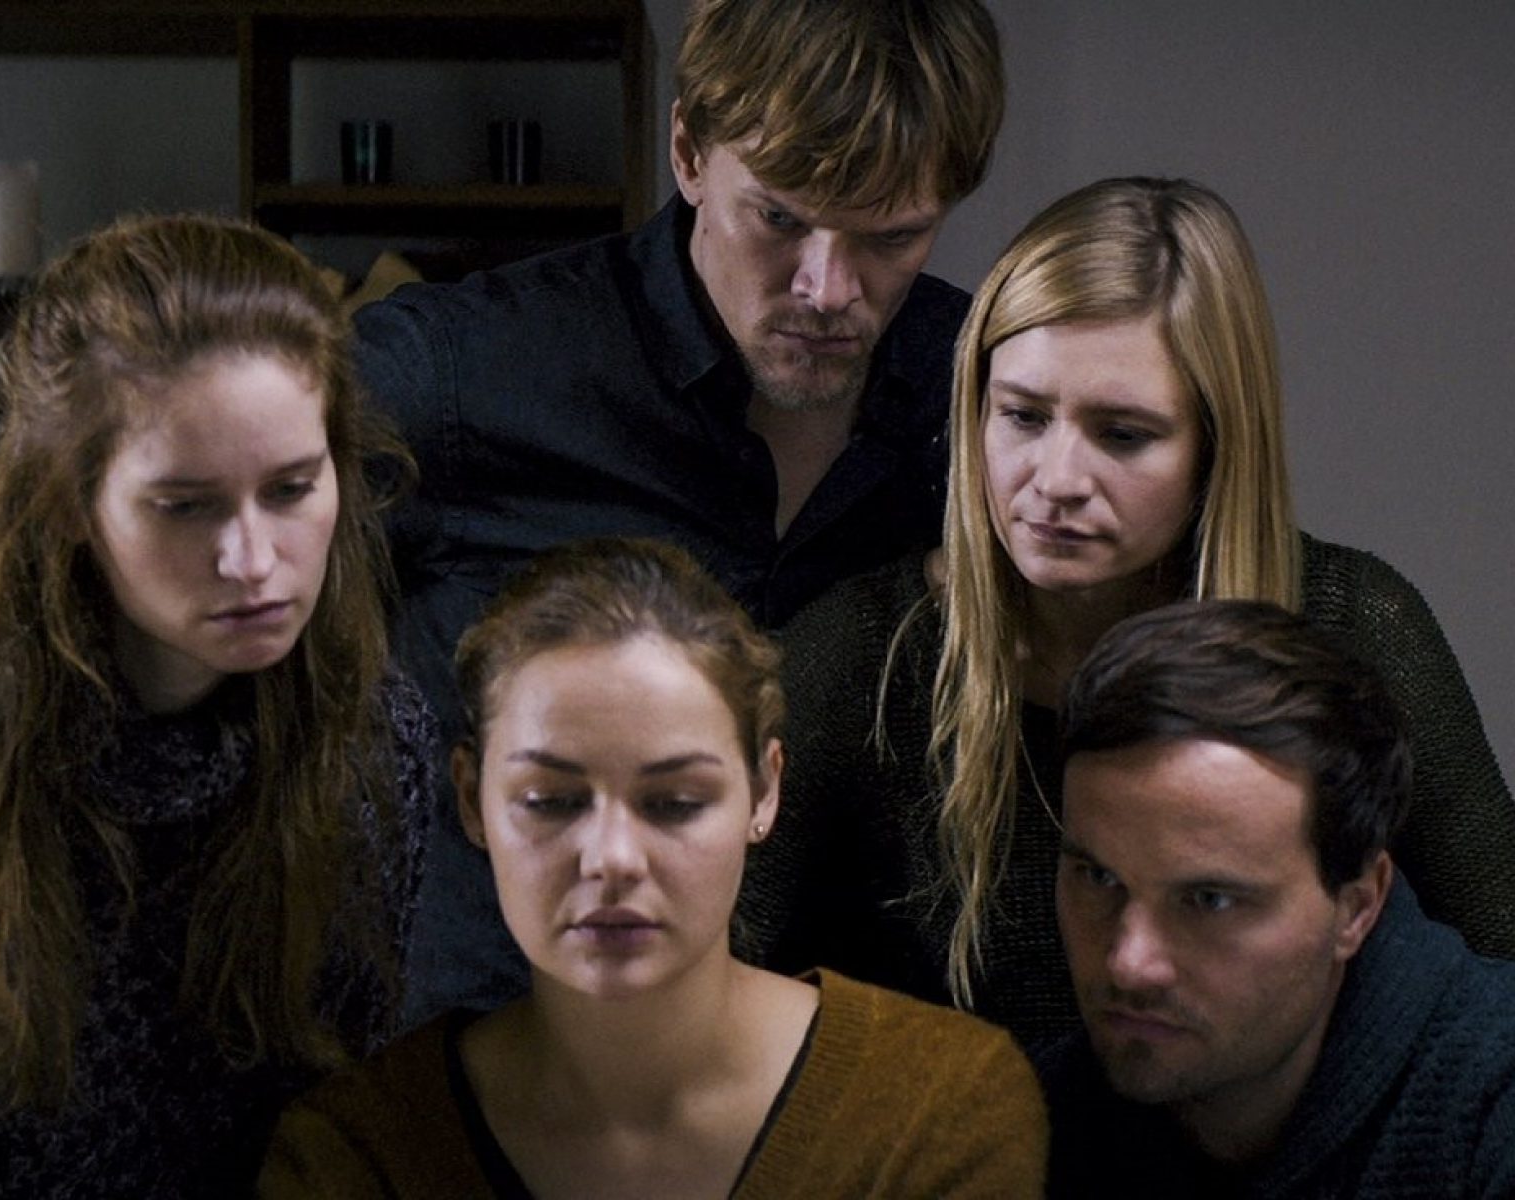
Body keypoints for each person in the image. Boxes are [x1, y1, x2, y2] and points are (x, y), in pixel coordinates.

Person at [745, 176, 1515, 1046]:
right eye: (1022, 416)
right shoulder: (864, 654)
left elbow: (1502, 959)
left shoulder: (1355, 625)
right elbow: (706, 973)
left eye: (1122, 434)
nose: (1057, 480)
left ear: (1214, 446)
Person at [356, 0, 1006, 1019]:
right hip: (487, 1057)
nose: (827, 289)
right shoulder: (464, 372)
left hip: (842, 1071)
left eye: (892, 235)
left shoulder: (987, 399)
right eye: (779, 219)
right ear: (690, 152)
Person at [259, 538, 1046, 1199]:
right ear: (471, 799)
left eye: (674, 803)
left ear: (764, 792)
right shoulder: (356, 1154)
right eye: (551, 801)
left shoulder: (937, 1110)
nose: (612, 859)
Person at [0, 214, 437, 1197]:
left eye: (291, 489)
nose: (253, 561)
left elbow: (320, 1131)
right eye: (186, 505)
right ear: (68, 499)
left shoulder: (369, 744)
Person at [1038, 599, 1515, 1198]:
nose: (1130, 965)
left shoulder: (1491, 1106)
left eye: (1210, 900)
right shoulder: (1030, 1125)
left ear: (1357, 908)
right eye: (1099, 878)